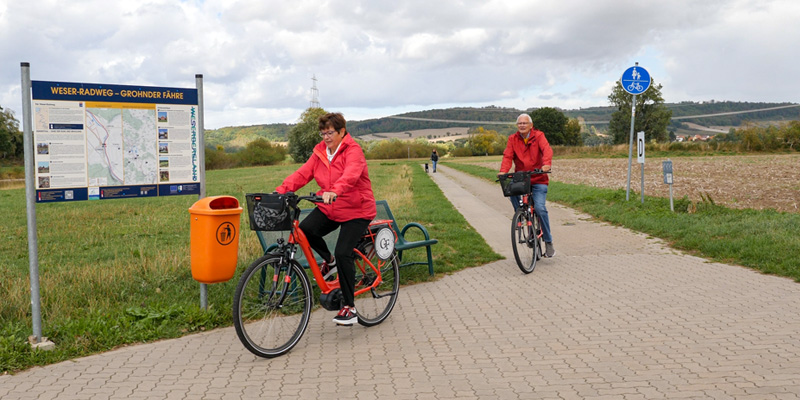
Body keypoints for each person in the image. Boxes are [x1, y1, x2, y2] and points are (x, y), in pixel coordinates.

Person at [275, 112, 376, 326]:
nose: (326, 137)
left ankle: (349, 307)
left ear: (341, 132)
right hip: (332, 207)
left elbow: (351, 174)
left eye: (330, 132)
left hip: (357, 209)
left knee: (343, 252)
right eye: (323, 133)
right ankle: (328, 262)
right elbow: (303, 174)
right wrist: (281, 191)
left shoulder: (353, 150)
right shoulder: (320, 152)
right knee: (305, 230)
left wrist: (335, 190)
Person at [499, 113, 556, 258]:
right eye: (519, 123)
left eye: (525, 123)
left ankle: (548, 242)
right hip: (522, 178)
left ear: (531, 125)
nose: (522, 126)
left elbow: (547, 150)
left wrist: (546, 164)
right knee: (511, 190)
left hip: (538, 178)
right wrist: (503, 171)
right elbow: (507, 156)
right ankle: (521, 214)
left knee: (540, 208)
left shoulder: (539, 136)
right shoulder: (513, 139)